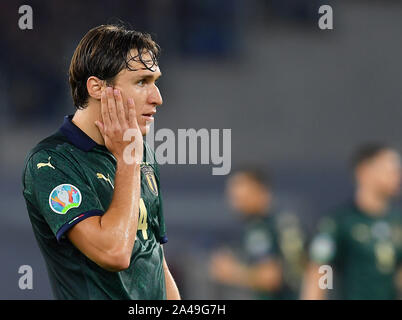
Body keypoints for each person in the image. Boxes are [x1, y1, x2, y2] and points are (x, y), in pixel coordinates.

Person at [22, 24, 180, 300]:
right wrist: (128, 160)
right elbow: (114, 252)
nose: (158, 98)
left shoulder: (142, 153)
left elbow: (155, 259)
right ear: (96, 87)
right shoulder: (52, 162)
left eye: (156, 82)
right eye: (142, 82)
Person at [302, 143, 402, 299]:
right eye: (390, 170)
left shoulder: (397, 222)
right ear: (364, 172)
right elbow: (322, 269)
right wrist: (320, 293)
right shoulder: (340, 222)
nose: (396, 176)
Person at [210, 166, 306, 299]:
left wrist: (231, 271)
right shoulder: (285, 222)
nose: (234, 202)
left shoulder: (260, 230)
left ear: (260, 191)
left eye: (240, 196)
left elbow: (270, 276)